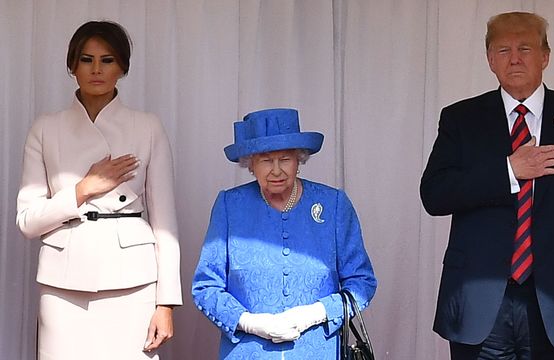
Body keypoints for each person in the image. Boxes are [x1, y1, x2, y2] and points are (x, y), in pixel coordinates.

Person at [420, 11, 554, 360]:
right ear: (489, 60)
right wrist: (509, 170)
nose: (514, 58)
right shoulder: (460, 119)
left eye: (525, 48)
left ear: (545, 57)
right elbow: (435, 195)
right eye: (503, 50)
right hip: (480, 304)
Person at [16, 21, 182, 360]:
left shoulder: (147, 126)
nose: (96, 69)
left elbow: (166, 224)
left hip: (133, 282)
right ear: (72, 66)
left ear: (122, 67)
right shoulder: (46, 129)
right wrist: (82, 190)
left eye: (107, 60)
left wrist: (166, 303)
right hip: (63, 284)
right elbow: (27, 222)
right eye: (86, 59)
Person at [192, 108, 377, 359]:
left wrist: (315, 314)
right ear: (250, 165)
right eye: (266, 160)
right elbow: (205, 286)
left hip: (318, 353)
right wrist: (249, 322)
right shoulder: (230, 206)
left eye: (285, 159)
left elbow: (361, 282)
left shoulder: (333, 205)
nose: (276, 170)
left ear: (299, 160)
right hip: (248, 353)